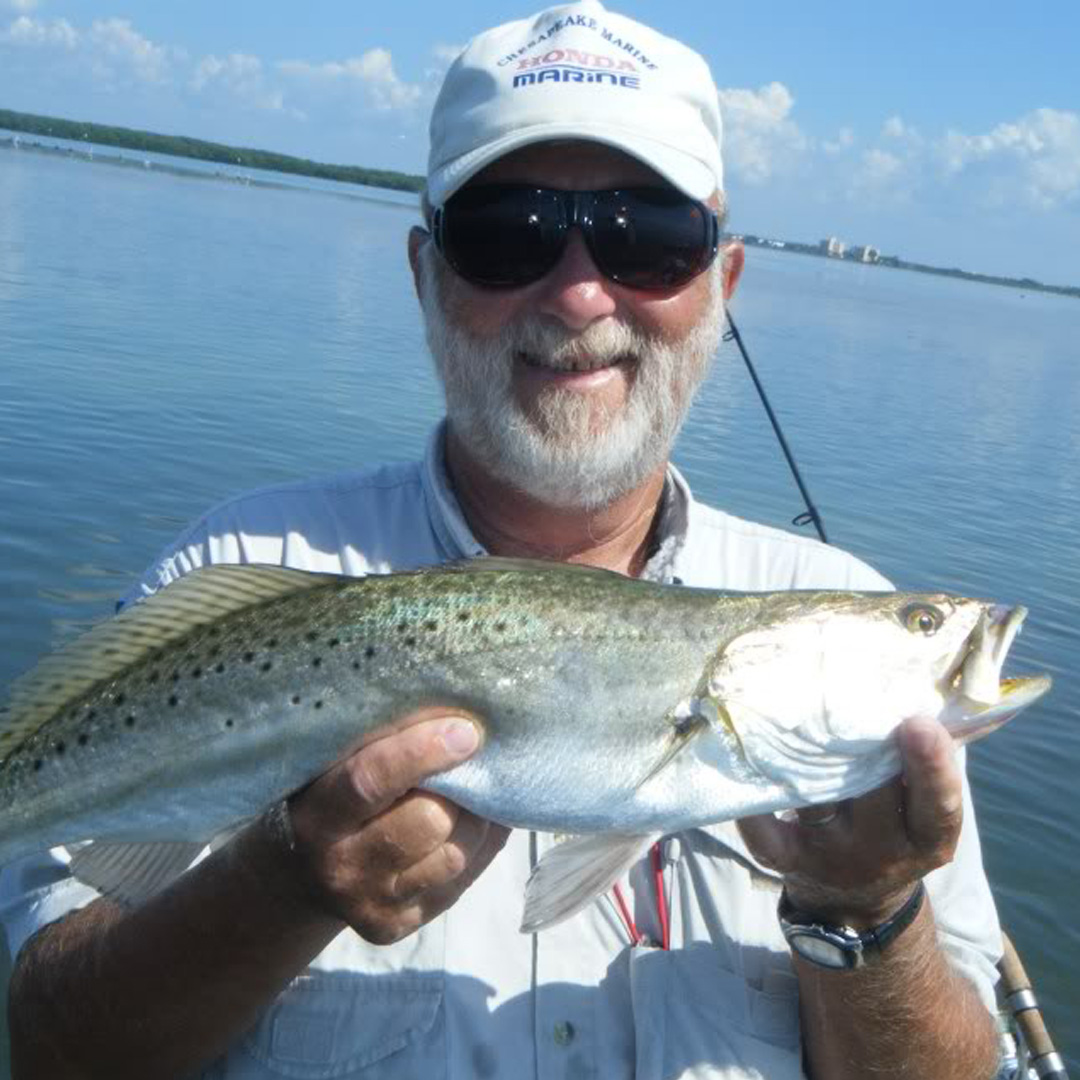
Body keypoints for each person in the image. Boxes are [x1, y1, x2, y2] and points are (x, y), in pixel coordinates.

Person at [2, 3, 1004, 1077]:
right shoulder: (231, 573)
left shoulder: (837, 610)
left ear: (725, 283)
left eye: (650, 240)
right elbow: (53, 1045)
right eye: (506, 233)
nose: (578, 294)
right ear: (425, 274)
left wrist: (865, 908)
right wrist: (274, 889)